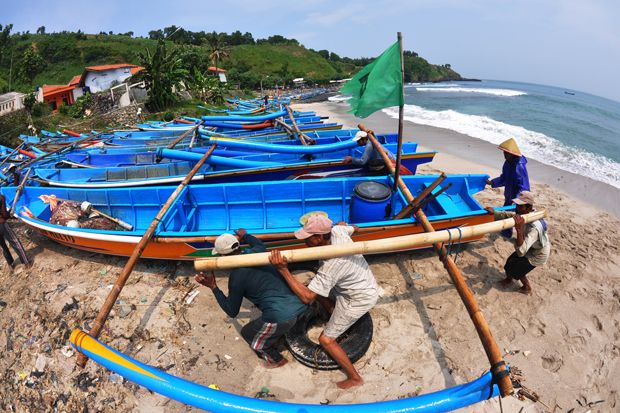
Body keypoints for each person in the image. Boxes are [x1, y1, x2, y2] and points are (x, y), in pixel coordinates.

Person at [269, 215, 380, 389]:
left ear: (319, 237)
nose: (304, 241)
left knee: (326, 340)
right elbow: (355, 228)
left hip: (357, 298)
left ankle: (355, 378)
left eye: (307, 238)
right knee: (317, 290)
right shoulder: (338, 230)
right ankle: (332, 313)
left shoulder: (332, 264)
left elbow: (306, 297)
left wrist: (283, 270)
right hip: (358, 283)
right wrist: (346, 225)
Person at [195, 228, 307, 368]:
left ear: (223, 256)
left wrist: (213, 287)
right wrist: (245, 235)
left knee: (248, 334)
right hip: (301, 303)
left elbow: (232, 311)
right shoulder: (258, 251)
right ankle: (280, 333)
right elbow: (256, 242)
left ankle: (277, 360)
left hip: (282, 317)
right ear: (238, 245)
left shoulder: (236, 277)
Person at [485, 191, 550, 295]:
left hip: (538, 253)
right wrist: (495, 212)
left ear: (529, 208)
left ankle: (527, 287)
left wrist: (519, 230)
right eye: (517, 205)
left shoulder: (534, 228)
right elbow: (509, 215)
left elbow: (521, 252)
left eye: (520, 206)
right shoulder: (524, 213)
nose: (517, 208)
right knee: (510, 262)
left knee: (518, 270)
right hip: (528, 245)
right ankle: (509, 279)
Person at [487, 137, 530, 238]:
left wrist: (516, 200)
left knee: (518, 216)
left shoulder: (519, 167)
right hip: (509, 194)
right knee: (507, 214)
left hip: (519, 198)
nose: (504, 155)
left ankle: (522, 236)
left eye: (506, 153)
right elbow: (504, 178)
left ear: (513, 154)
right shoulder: (508, 163)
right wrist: (492, 182)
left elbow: (522, 187)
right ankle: (506, 233)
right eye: (504, 152)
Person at [343, 131, 412, 175]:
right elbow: (375, 140)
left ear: (364, 140)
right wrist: (372, 134)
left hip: (389, 163)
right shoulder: (371, 139)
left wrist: (352, 159)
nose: (357, 142)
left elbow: (362, 162)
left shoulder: (369, 145)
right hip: (388, 159)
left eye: (358, 141)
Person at [0, 194, 31, 268]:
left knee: (3, 246)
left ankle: (10, 264)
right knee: (15, 242)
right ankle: (26, 262)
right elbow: (5, 215)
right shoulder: (1, 197)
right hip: (2, 224)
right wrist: (10, 214)